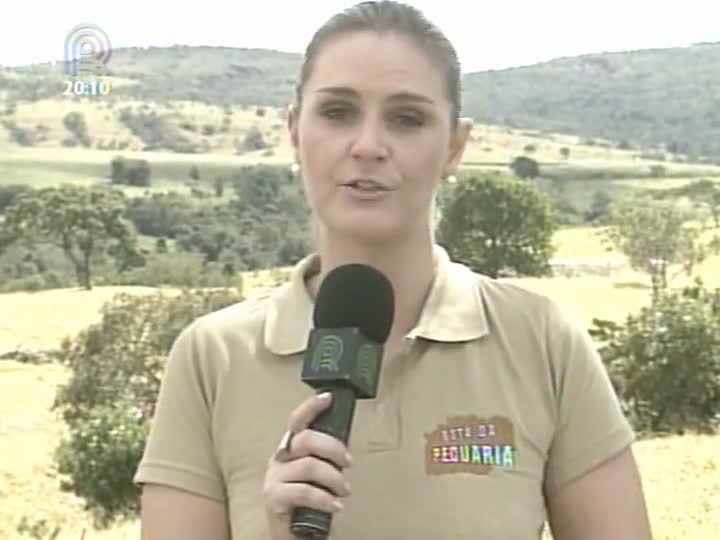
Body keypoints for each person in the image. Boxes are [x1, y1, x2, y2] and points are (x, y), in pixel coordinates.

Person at [133, 1, 654, 538]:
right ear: (294, 130)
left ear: (454, 146)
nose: (367, 146)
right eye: (337, 112)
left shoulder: (542, 341)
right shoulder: (212, 359)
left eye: (407, 119)